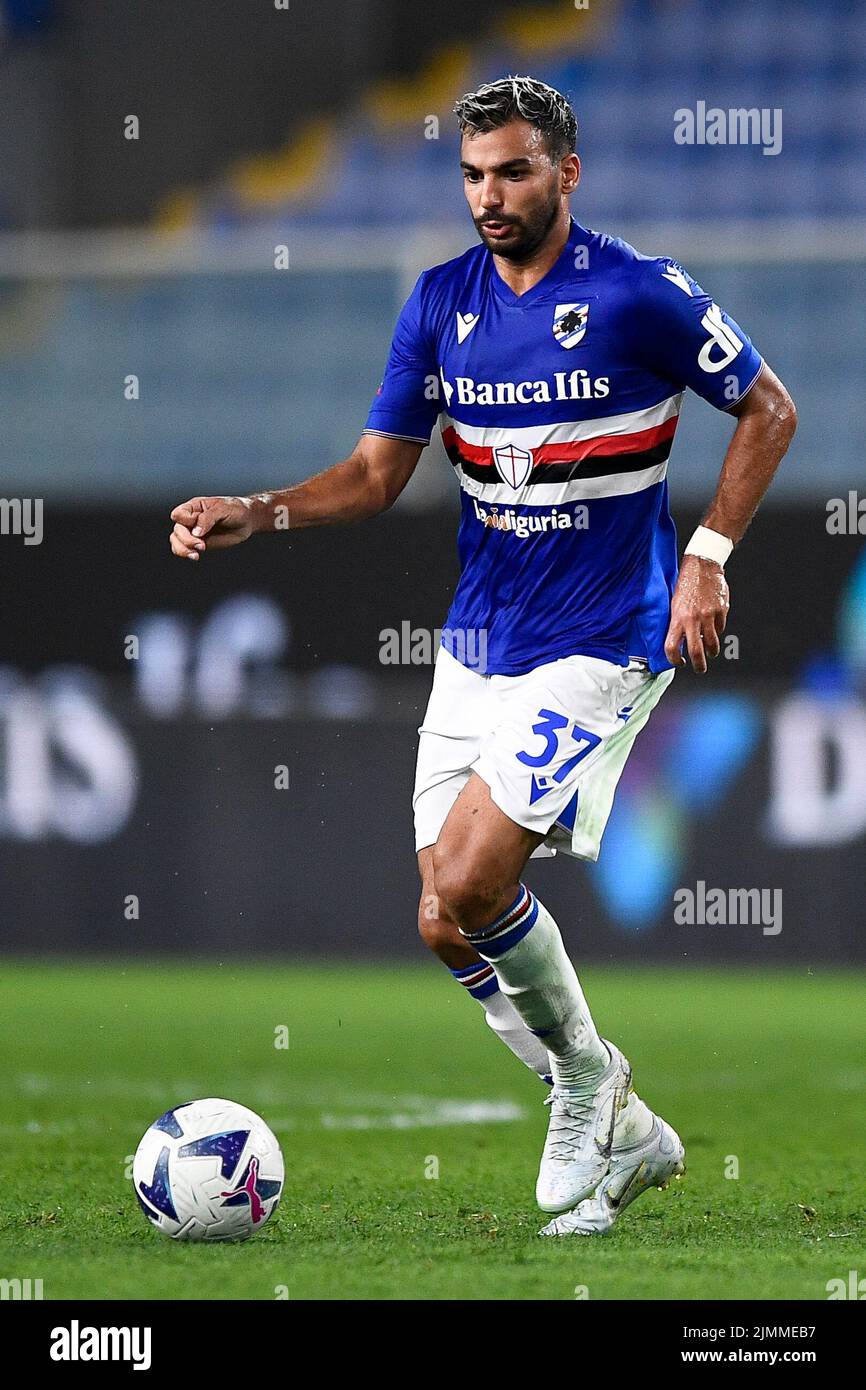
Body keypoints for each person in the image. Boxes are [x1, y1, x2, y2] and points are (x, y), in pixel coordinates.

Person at [169, 76, 797, 1236]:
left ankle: (584, 1088)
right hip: (476, 642)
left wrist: (707, 554)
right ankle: (613, 1102)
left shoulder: (637, 292)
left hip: (604, 633)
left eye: (512, 171)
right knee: (442, 916)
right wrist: (256, 510)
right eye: (470, 174)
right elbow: (372, 475)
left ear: (566, 172)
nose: (488, 195)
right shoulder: (438, 302)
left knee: (467, 879)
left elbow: (766, 407)